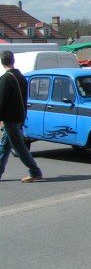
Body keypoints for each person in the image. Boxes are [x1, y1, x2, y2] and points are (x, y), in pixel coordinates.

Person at [0, 50, 44, 182]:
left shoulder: (6, 78)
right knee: (4, 146)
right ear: (13, 60)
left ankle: (35, 171)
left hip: (10, 118)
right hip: (20, 116)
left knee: (19, 147)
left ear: (2, 63)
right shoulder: (21, 77)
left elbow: (2, 101)